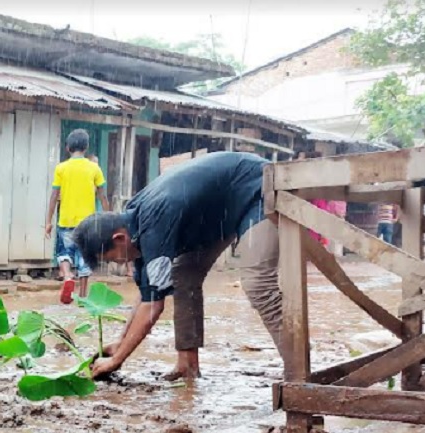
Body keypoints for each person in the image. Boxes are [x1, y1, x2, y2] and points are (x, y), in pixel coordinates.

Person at [73, 151, 279, 382]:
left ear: (119, 238)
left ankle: (297, 374)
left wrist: (117, 360)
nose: (118, 264)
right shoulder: (135, 225)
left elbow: (153, 307)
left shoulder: (152, 226)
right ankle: (187, 366)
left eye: (112, 258)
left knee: (259, 284)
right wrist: (120, 342)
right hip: (220, 210)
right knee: (183, 275)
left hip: (258, 187)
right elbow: (146, 295)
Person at [46, 129, 110, 304]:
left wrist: (48, 221)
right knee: (84, 257)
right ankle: (82, 295)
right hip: (87, 223)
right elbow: (102, 196)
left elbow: (54, 196)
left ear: (68, 148)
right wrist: (108, 218)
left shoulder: (61, 168)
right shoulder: (94, 168)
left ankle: (67, 275)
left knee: (64, 252)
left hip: (66, 219)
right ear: (86, 147)